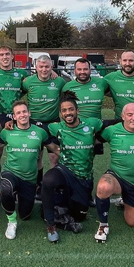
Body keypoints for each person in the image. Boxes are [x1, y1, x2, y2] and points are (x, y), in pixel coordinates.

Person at [40, 92, 102, 243]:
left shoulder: (92, 124)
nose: (68, 113)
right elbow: (35, 127)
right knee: (48, 180)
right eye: (64, 110)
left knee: (80, 215)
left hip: (84, 178)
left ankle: (63, 213)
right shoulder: (56, 127)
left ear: (77, 110)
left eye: (71, 109)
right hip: (65, 170)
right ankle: (51, 225)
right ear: (60, 114)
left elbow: (115, 122)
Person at [93, 103, 134, 242]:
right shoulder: (111, 131)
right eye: (129, 114)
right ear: (122, 116)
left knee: (133, 223)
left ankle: (126, 200)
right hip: (117, 177)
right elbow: (94, 141)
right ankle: (103, 225)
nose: (133, 118)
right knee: (104, 186)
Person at [0, 100, 50, 240]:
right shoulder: (7, 131)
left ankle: (19, 198)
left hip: (29, 178)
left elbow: (54, 148)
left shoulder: (40, 132)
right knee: (7, 188)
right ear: (13, 117)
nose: (22, 115)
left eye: (24, 111)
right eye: (18, 113)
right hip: (11, 172)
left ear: (29, 113)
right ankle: (12, 221)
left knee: (25, 215)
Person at [0, 46, 27, 203]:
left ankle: (19, 186)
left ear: (12, 56)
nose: (4, 57)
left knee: (19, 152)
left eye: (7, 54)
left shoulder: (22, 73)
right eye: (1, 54)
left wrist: (52, 72)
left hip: (18, 117)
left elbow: (30, 85)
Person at [20, 54, 62, 191]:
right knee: (37, 157)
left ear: (52, 67)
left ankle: (53, 185)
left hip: (53, 124)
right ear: (36, 67)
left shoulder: (60, 82)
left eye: (47, 67)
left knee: (54, 157)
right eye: (41, 67)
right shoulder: (27, 82)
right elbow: (18, 95)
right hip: (34, 124)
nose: (44, 69)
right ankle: (38, 184)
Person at [105, 50, 134, 119]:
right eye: (124, 60)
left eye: (131, 60)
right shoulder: (110, 78)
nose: (127, 63)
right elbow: (98, 90)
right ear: (120, 61)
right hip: (120, 122)